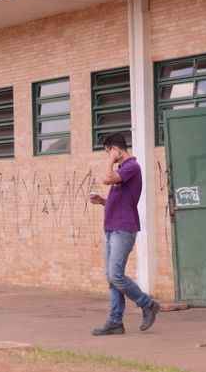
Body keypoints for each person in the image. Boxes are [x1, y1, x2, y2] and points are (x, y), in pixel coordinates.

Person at [89, 133, 160, 335]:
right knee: (111, 278)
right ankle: (115, 322)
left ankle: (148, 304)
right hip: (112, 228)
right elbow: (121, 199)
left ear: (117, 148)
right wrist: (103, 201)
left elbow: (106, 179)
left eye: (108, 151)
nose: (108, 155)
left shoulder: (131, 167)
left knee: (116, 275)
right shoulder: (123, 170)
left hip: (124, 228)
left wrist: (111, 160)